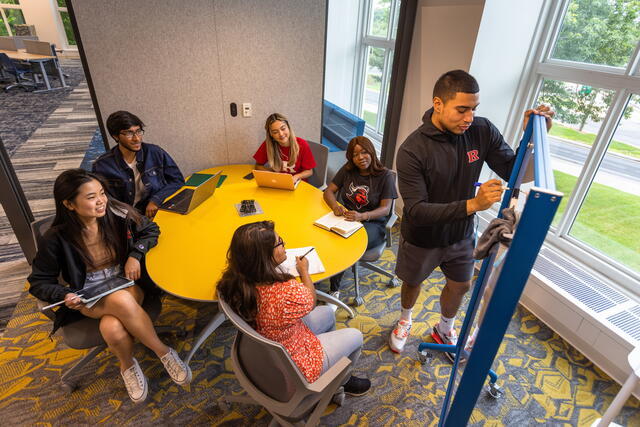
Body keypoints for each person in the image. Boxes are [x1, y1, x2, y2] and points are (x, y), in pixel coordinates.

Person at [389, 69, 554, 355]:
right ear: (438, 104)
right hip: (422, 236)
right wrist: (474, 205)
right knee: (412, 282)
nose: (469, 118)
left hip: (461, 234)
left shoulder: (481, 130)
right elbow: (415, 211)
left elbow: (515, 173)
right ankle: (405, 319)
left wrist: (534, 138)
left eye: (474, 109)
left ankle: (443, 327)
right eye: (461, 109)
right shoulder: (412, 150)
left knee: (462, 285)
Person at [28, 169, 191, 403]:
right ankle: (161, 352)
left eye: (102, 193)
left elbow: (150, 229)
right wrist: (64, 294)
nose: (101, 201)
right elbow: (39, 281)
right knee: (114, 320)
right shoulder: (56, 238)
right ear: (69, 204)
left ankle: (132, 364)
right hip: (89, 296)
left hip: (126, 283)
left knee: (115, 319)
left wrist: (136, 254)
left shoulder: (117, 214)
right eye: (91, 197)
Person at [217, 221, 371, 396]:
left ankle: (333, 371)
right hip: (295, 364)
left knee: (328, 313)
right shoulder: (284, 293)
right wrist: (304, 270)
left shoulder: (237, 279)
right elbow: (311, 301)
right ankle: (340, 382)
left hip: (270, 343)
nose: (284, 246)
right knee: (356, 336)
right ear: (265, 257)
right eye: (279, 243)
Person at [323, 136, 398, 298]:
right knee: (323, 233)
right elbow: (329, 191)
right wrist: (335, 206)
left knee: (345, 243)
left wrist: (362, 216)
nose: (360, 158)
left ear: (371, 152)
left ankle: (334, 291)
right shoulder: (348, 169)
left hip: (373, 223)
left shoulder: (385, 176)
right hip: (348, 218)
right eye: (355, 155)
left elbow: (385, 209)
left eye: (364, 152)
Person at [92, 111, 185, 219]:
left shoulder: (155, 152)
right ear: (116, 136)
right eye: (129, 133)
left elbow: (177, 181)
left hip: (158, 211)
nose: (137, 138)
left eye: (138, 131)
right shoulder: (102, 166)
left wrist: (156, 200)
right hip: (125, 219)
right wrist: (129, 214)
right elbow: (103, 200)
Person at [253, 113, 316, 183]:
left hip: (298, 184)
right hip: (278, 182)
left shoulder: (302, 144)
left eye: (283, 129)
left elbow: (309, 171)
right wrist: (273, 174)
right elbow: (258, 166)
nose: (281, 134)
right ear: (271, 135)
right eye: (275, 132)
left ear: (288, 127)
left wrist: (296, 177)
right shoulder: (268, 144)